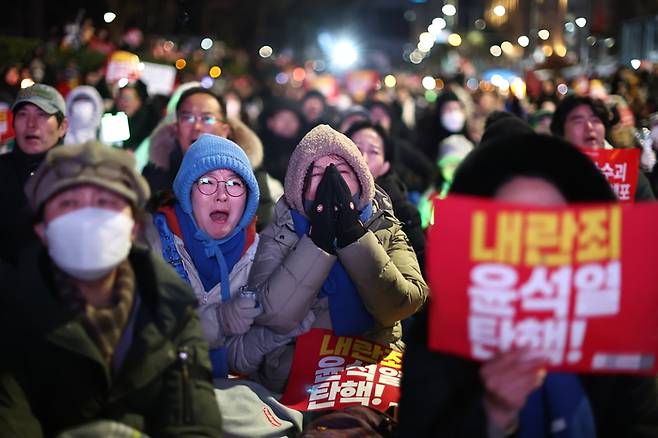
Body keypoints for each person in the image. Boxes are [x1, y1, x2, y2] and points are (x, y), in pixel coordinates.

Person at [397, 133, 658, 437]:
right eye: (513, 223)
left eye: (551, 225)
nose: (534, 244)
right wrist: (493, 418)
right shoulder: (439, 339)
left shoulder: (620, 339)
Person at [0, 140, 222, 437]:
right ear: (42, 230)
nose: (87, 220)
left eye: (105, 203)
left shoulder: (171, 307)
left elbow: (193, 421)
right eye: (69, 204)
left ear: (133, 227)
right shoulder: (10, 312)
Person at [247, 124, 428, 392]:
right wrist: (318, 241)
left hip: (374, 363)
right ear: (300, 184)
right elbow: (273, 314)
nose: (333, 182)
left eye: (343, 172)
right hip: (297, 370)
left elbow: (403, 304)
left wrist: (353, 237)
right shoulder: (279, 232)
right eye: (318, 173)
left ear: (361, 179)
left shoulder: (384, 225)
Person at [142, 133, 262, 378]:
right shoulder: (147, 245)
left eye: (234, 184)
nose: (222, 195)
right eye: (207, 182)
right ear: (187, 194)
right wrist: (220, 320)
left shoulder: (263, 256)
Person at [142, 86, 275, 230]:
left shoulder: (249, 172)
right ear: (176, 129)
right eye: (187, 118)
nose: (197, 126)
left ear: (225, 131)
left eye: (207, 118)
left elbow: (262, 221)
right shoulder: (157, 171)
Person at [0, 83, 68, 264]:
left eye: (42, 114)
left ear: (63, 127)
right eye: (22, 114)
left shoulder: (78, 178)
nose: (31, 124)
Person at [345, 120, 426, 271]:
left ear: (385, 166)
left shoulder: (403, 214)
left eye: (374, 152)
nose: (362, 158)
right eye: (356, 148)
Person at [550, 94, 655, 201]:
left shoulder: (626, 175)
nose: (589, 127)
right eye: (578, 121)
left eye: (595, 120)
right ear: (561, 132)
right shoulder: (548, 177)